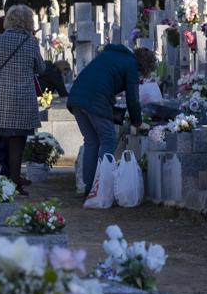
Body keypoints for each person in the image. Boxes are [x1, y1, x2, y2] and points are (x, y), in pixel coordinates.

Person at [67, 44, 157, 198]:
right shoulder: (131, 65)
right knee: (108, 140)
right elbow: (133, 99)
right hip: (95, 100)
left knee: (91, 142)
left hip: (76, 97)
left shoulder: (112, 55)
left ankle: (90, 188)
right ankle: (102, 187)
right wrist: (137, 122)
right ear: (145, 66)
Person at [0, 5, 43, 192]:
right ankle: (13, 183)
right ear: (29, 21)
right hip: (22, 99)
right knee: (17, 144)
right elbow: (41, 68)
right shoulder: (31, 43)